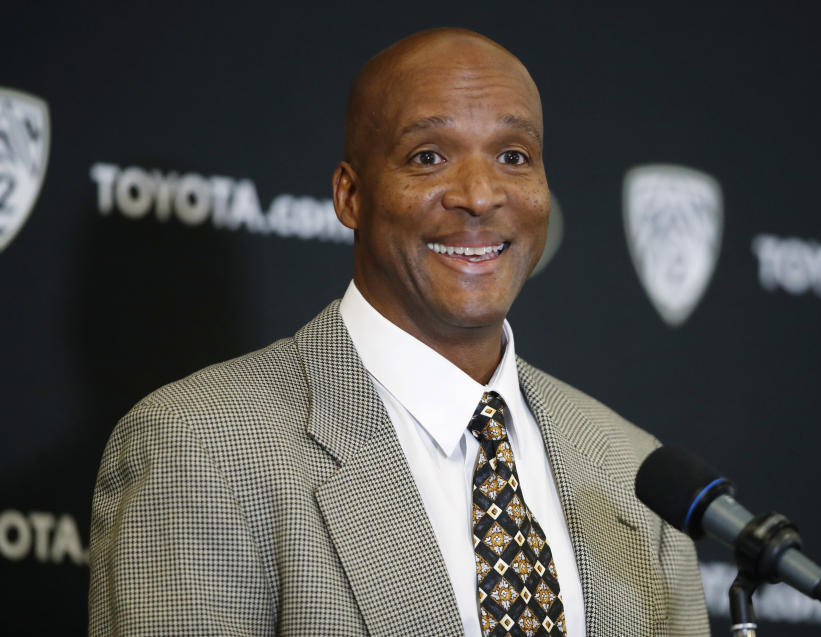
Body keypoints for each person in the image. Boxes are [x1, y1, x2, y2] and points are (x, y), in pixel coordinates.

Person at [88, 28, 709, 636]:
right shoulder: (200, 443)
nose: (479, 194)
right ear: (351, 195)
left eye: (513, 156)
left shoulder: (635, 470)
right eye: (428, 157)